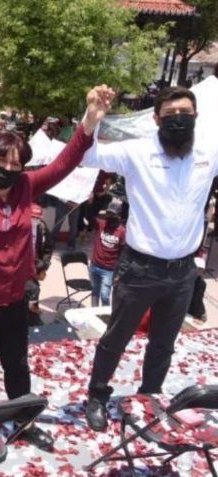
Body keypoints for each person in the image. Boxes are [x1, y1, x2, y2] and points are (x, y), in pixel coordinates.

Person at [0, 79, 113, 450]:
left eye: (17, 162)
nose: (10, 167)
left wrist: (89, 122)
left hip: (12, 295)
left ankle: (24, 422)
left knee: (17, 366)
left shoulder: (26, 186)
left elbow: (65, 163)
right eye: (2, 160)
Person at [82, 86, 218, 432]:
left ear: (196, 117)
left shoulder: (209, 153)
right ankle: (97, 396)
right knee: (116, 338)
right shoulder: (137, 152)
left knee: (163, 343)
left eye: (185, 114)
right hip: (140, 268)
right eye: (170, 115)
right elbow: (88, 155)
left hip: (183, 271)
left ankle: (150, 396)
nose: (178, 121)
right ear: (156, 120)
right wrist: (92, 118)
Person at [88, 198, 126, 307]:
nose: (109, 217)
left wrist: (119, 272)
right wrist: (90, 203)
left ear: (119, 215)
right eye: (108, 213)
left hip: (109, 270)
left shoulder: (122, 231)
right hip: (95, 265)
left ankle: (105, 315)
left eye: (112, 214)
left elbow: (123, 253)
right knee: (95, 291)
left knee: (105, 295)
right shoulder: (101, 224)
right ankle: (93, 313)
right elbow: (89, 217)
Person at [25, 259, 50, 326]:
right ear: (36, 274)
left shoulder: (26, 278)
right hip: (30, 317)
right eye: (43, 272)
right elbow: (31, 307)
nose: (45, 274)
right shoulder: (35, 288)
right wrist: (39, 311)